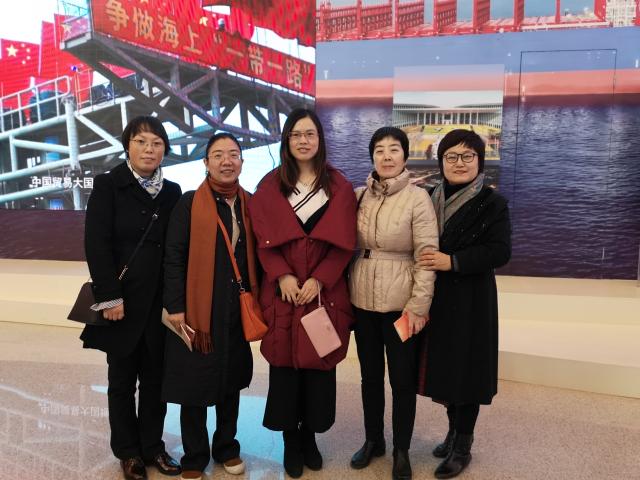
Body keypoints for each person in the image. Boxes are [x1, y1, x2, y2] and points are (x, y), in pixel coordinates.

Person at [248, 108, 357, 478]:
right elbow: (262, 242)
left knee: (318, 366)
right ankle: (290, 442)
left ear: (320, 140)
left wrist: (320, 279)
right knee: (285, 368)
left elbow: (345, 244)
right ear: (286, 141)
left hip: (323, 294)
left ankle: (310, 438)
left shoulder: (338, 187)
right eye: (296, 134)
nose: (303, 141)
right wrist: (281, 276)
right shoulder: (270, 186)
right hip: (285, 294)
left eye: (310, 134)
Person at [81, 116, 182, 480]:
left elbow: (176, 248)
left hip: (158, 306)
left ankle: (152, 447)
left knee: (156, 382)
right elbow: (97, 244)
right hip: (121, 303)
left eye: (156, 143)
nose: (149, 149)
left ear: (164, 150)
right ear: (128, 146)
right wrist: (109, 297)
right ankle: (128, 452)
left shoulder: (172, 192)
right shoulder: (109, 185)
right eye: (141, 142)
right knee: (122, 382)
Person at [162, 133, 259, 480]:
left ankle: (226, 448)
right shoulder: (190, 203)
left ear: (242, 162)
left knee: (230, 382)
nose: (226, 161)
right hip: (197, 311)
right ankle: (194, 456)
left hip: (235, 309)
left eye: (233, 154)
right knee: (195, 385)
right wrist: (175, 306)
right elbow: (173, 256)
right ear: (206, 163)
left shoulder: (250, 204)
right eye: (218, 155)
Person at [417, 129, 511, 479]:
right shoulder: (428, 196)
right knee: (445, 369)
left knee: (468, 372)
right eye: (451, 157)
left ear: (479, 161)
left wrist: (452, 261)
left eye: (467, 156)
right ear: (441, 162)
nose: (459, 163)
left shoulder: (493, 203)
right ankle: (451, 431)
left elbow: (500, 252)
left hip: (472, 299)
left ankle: (463, 445)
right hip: (437, 297)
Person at [348, 126, 438, 480]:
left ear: (404, 155)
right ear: (372, 157)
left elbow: (426, 256)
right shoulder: (359, 196)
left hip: (402, 306)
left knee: (402, 381)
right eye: (379, 150)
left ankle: (402, 449)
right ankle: (374, 440)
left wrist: (419, 306)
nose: (386, 156)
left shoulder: (418, 198)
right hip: (362, 301)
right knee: (369, 377)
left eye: (394, 149)